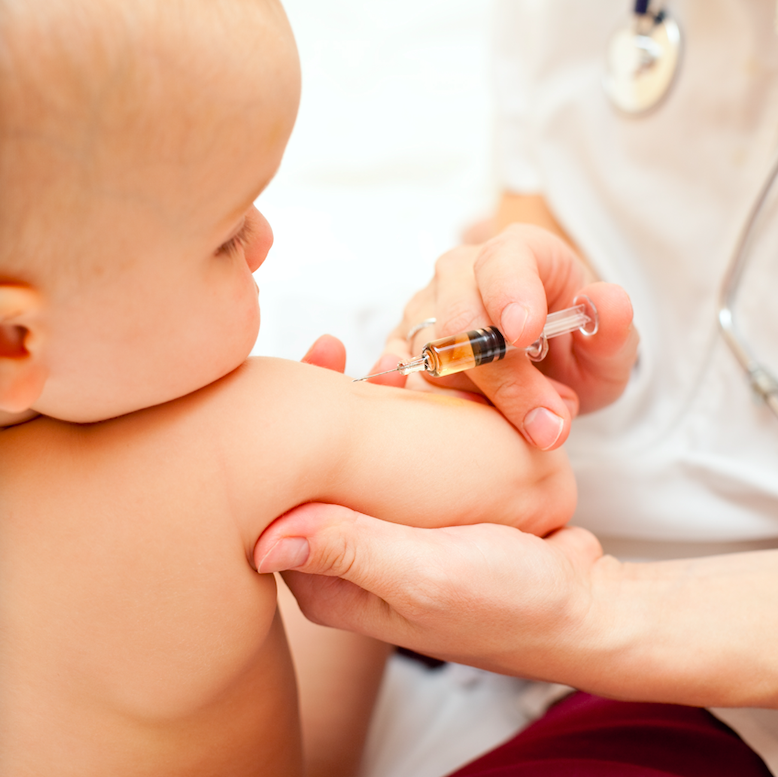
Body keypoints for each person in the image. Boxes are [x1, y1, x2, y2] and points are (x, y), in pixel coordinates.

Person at [0, 1, 631, 775]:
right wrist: (423, 402)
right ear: (14, 340)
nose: (264, 240)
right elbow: (532, 483)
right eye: (226, 233)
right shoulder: (245, 433)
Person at [253, 0, 778, 774]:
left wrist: (595, 610)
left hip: (716, 669)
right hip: (508, 589)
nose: (261, 242)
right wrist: (494, 296)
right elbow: (540, 217)